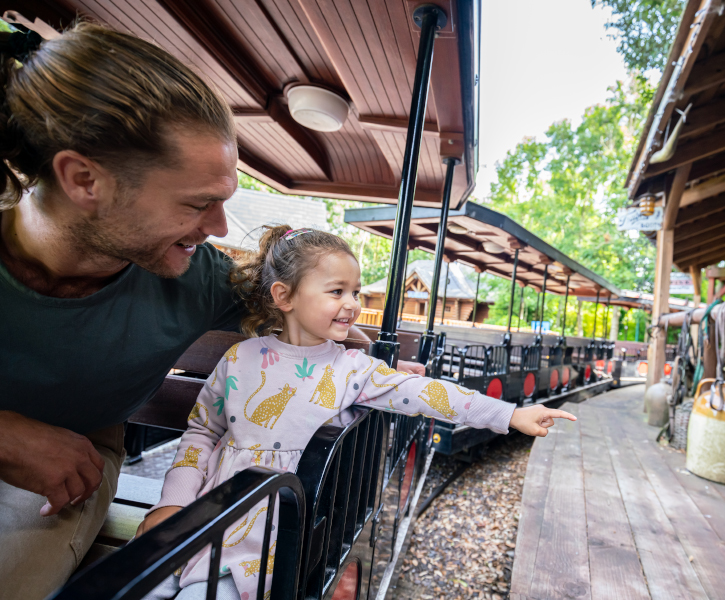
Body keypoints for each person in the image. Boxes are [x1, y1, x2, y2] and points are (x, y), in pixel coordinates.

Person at [0, 24, 416, 600]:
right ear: (83, 179)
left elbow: (300, 298)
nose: (220, 227)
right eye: (199, 203)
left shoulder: (198, 277)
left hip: (71, 464)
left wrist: (373, 367)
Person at [135, 226, 577, 600]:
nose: (352, 303)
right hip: (210, 509)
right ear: (283, 296)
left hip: (270, 529)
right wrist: (172, 502)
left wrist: (508, 415)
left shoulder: (353, 369)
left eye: (356, 291)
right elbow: (201, 434)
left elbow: (428, 393)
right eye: (337, 291)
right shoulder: (240, 358)